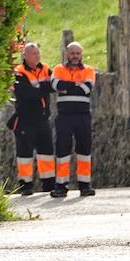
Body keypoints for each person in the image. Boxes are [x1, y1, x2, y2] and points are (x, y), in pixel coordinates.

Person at [50, 42, 96, 198]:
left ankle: (85, 185)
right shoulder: (58, 69)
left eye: (78, 53)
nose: (75, 56)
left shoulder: (89, 70)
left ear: (81, 55)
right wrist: (77, 84)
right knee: (62, 149)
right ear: (66, 54)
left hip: (82, 115)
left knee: (84, 149)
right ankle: (61, 186)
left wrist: (67, 86)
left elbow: (87, 87)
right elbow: (55, 84)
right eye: (72, 53)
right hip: (64, 116)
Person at [10, 42, 55, 196]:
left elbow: (53, 86)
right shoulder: (19, 71)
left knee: (46, 153)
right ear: (25, 55)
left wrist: (39, 89)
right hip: (25, 120)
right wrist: (43, 89)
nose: (37, 56)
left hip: (42, 119)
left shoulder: (45, 69)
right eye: (34, 53)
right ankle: (25, 185)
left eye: (38, 53)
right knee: (25, 154)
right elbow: (25, 93)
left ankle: (49, 184)